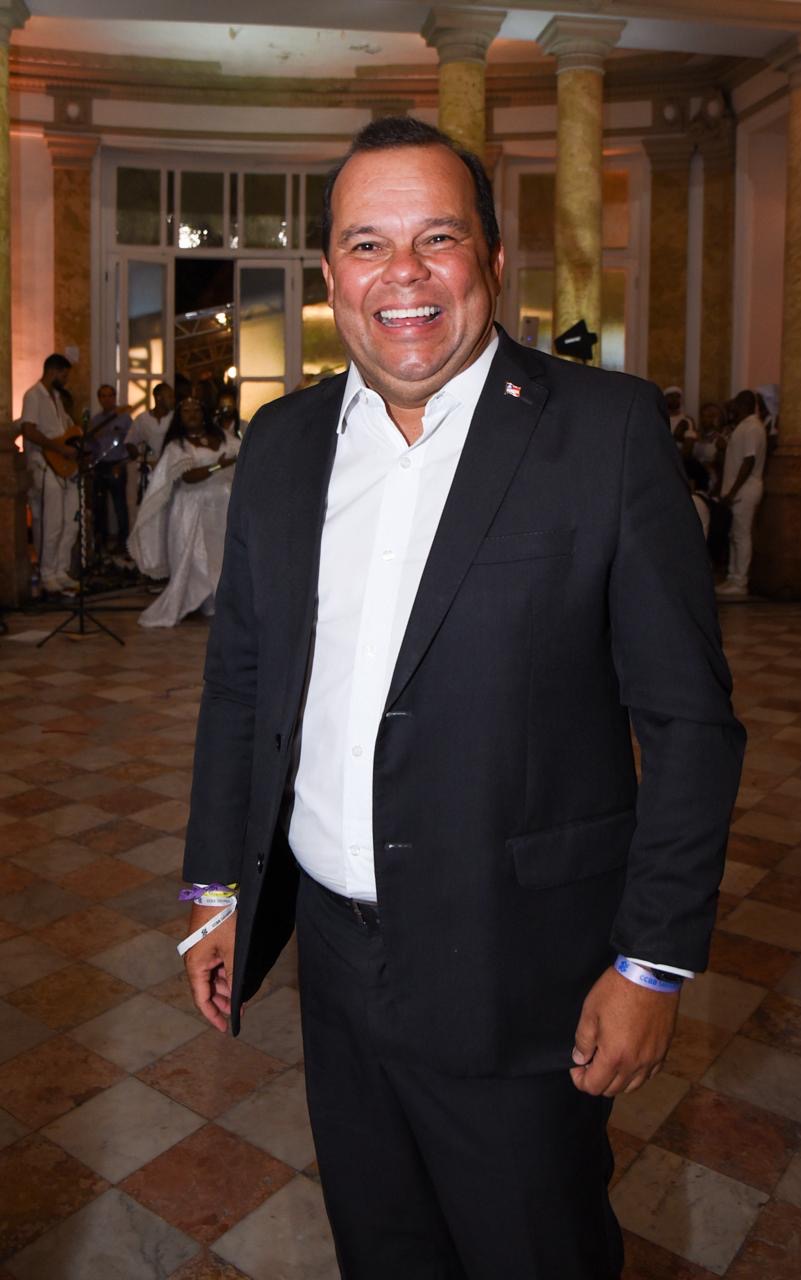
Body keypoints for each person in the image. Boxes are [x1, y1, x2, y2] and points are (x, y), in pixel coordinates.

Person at [181, 118, 744, 1280]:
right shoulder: (281, 444)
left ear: (489, 257)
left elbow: (688, 724)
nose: (404, 274)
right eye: (367, 244)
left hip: (522, 972)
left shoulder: (603, 431)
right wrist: (214, 885)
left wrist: (650, 961)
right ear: (330, 272)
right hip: (336, 965)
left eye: (436, 238)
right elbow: (239, 682)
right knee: (382, 1249)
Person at [127, 396, 238, 628]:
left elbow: (240, 454)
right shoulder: (177, 446)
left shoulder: (222, 437)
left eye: (196, 409)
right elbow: (189, 476)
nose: (192, 414)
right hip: (190, 509)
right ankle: (195, 601)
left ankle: (219, 601)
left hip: (222, 507)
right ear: (179, 417)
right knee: (196, 558)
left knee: (223, 555)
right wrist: (220, 464)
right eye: (186, 411)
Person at [19, 353, 79, 594]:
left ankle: (61, 570)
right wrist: (57, 448)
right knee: (51, 521)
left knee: (70, 520)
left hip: (63, 465)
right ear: (53, 371)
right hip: (42, 464)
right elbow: (28, 430)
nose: (66, 380)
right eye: (64, 375)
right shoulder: (33, 395)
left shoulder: (57, 397)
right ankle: (47, 573)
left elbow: (65, 430)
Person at [716, 389, 767, 599]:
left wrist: (732, 491)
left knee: (741, 534)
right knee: (735, 535)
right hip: (739, 489)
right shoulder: (743, 426)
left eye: (735, 403)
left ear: (743, 404)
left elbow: (749, 461)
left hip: (745, 489)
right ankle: (732, 577)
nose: (732, 407)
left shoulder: (753, 427)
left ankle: (740, 581)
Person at [89, 383, 132, 554]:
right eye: (103, 396)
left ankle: (123, 542)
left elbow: (131, 441)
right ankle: (101, 541)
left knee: (120, 505)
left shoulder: (124, 418)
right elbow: (91, 446)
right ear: (99, 399)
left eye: (110, 395)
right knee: (99, 505)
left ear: (115, 397)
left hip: (117, 464)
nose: (107, 399)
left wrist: (123, 463)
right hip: (100, 465)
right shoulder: (95, 421)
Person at [126, 381, 175, 465]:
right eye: (170, 397)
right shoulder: (143, 418)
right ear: (159, 398)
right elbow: (130, 441)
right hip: (150, 465)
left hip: (171, 464)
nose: (173, 400)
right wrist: (137, 456)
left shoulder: (175, 417)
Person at [663, 384, 697, 455]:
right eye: (671, 396)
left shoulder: (687, 420)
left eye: (677, 396)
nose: (674, 399)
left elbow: (688, 447)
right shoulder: (659, 418)